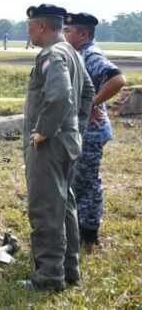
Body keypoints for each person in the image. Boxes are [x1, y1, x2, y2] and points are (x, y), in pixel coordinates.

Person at [19, 4, 94, 292]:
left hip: (49, 145)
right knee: (64, 205)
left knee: (46, 209)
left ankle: (49, 277)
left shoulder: (52, 54)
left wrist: (44, 131)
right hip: (67, 140)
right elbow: (86, 92)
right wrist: (77, 126)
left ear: (40, 26)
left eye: (29, 25)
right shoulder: (72, 52)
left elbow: (61, 95)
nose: (27, 30)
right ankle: (69, 269)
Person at [64, 12, 126, 247]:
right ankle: (80, 226)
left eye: (68, 31)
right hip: (84, 129)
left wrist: (92, 103)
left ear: (83, 34)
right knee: (80, 180)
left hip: (91, 129)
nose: (65, 34)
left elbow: (117, 79)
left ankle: (89, 233)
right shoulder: (79, 54)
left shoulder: (90, 54)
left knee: (86, 182)